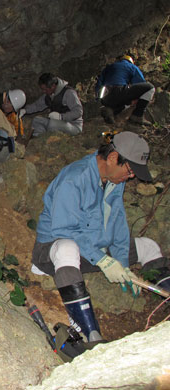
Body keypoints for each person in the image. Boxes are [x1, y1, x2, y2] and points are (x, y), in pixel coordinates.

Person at [30, 132, 169, 343]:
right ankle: (90, 335)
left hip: (94, 249)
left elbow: (119, 222)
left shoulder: (114, 180)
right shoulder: (74, 179)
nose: (131, 177)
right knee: (68, 247)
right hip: (54, 249)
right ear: (113, 158)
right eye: (130, 170)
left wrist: (122, 264)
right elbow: (64, 230)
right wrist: (103, 260)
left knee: (148, 246)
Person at [95, 55, 155, 125]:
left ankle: (110, 110)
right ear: (131, 62)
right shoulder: (132, 67)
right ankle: (137, 115)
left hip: (105, 95)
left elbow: (98, 84)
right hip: (119, 90)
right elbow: (141, 83)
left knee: (123, 102)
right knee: (150, 88)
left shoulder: (109, 67)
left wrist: (98, 99)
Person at [19, 73, 83, 137]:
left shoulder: (68, 93)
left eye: (45, 89)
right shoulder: (49, 95)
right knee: (36, 120)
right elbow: (37, 105)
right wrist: (25, 110)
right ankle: (39, 138)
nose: (43, 91)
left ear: (53, 86)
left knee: (52, 124)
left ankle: (48, 138)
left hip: (74, 126)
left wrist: (61, 117)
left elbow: (78, 112)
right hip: (59, 123)